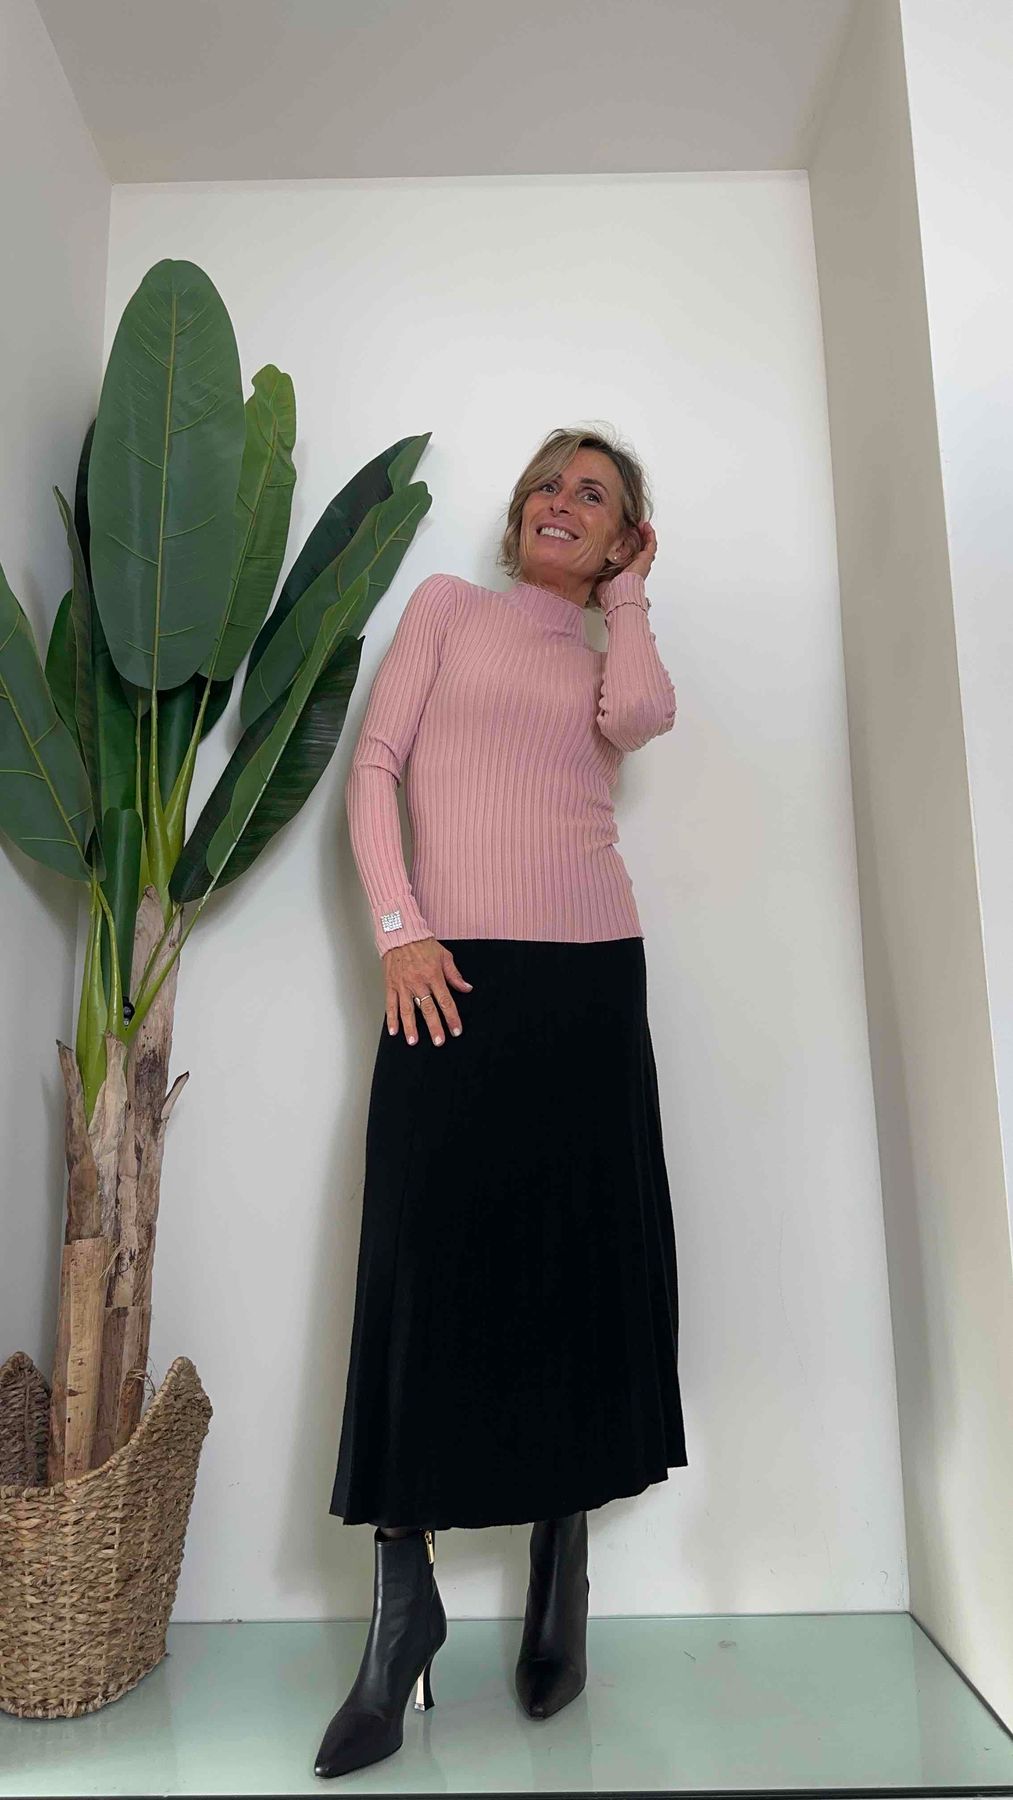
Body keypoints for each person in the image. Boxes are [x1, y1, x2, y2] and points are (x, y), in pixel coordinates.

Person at [314, 425, 688, 1780]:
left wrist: (628, 596)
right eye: (547, 483)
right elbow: (374, 768)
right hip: (450, 975)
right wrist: (400, 927)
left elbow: (643, 719)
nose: (558, 502)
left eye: (594, 496)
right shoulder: (446, 609)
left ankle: (559, 1558)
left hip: (589, 980)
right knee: (425, 1267)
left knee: (575, 1268)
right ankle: (399, 1607)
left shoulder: (605, 655)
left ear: (622, 536)